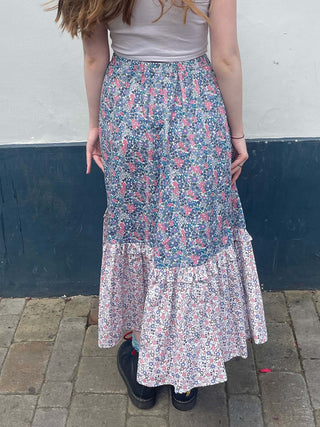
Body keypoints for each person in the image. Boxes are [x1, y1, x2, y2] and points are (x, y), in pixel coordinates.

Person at [48, 0, 268, 411]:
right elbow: (225, 56)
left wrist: (95, 124)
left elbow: (96, 56)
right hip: (194, 107)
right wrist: (237, 133)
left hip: (127, 107)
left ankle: (144, 368)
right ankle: (185, 379)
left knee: (139, 232)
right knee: (189, 241)